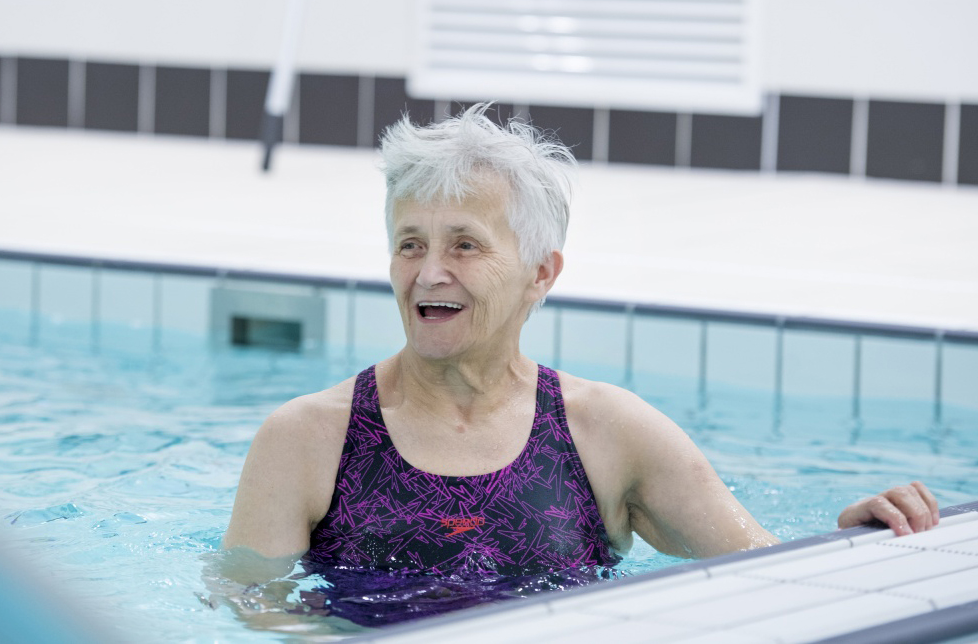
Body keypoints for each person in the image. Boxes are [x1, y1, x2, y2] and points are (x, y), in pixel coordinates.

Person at [222, 104, 939, 581]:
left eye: (465, 245)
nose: (428, 273)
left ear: (541, 273)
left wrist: (848, 545)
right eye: (410, 243)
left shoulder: (608, 433)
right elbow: (253, 617)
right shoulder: (307, 441)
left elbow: (768, 578)